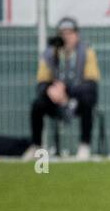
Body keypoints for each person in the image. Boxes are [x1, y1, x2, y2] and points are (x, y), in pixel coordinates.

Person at [29, 17, 100, 159]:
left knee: (88, 100)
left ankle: (84, 146)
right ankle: (37, 147)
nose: (67, 37)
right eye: (63, 34)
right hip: (56, 99)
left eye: (70, 33)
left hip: (77, 99)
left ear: (77, 35)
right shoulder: (50, 53)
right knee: (37, 105)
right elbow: (42, 82)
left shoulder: (86, 52)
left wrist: (66, 90)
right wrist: (50, 90)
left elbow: (92, 83)